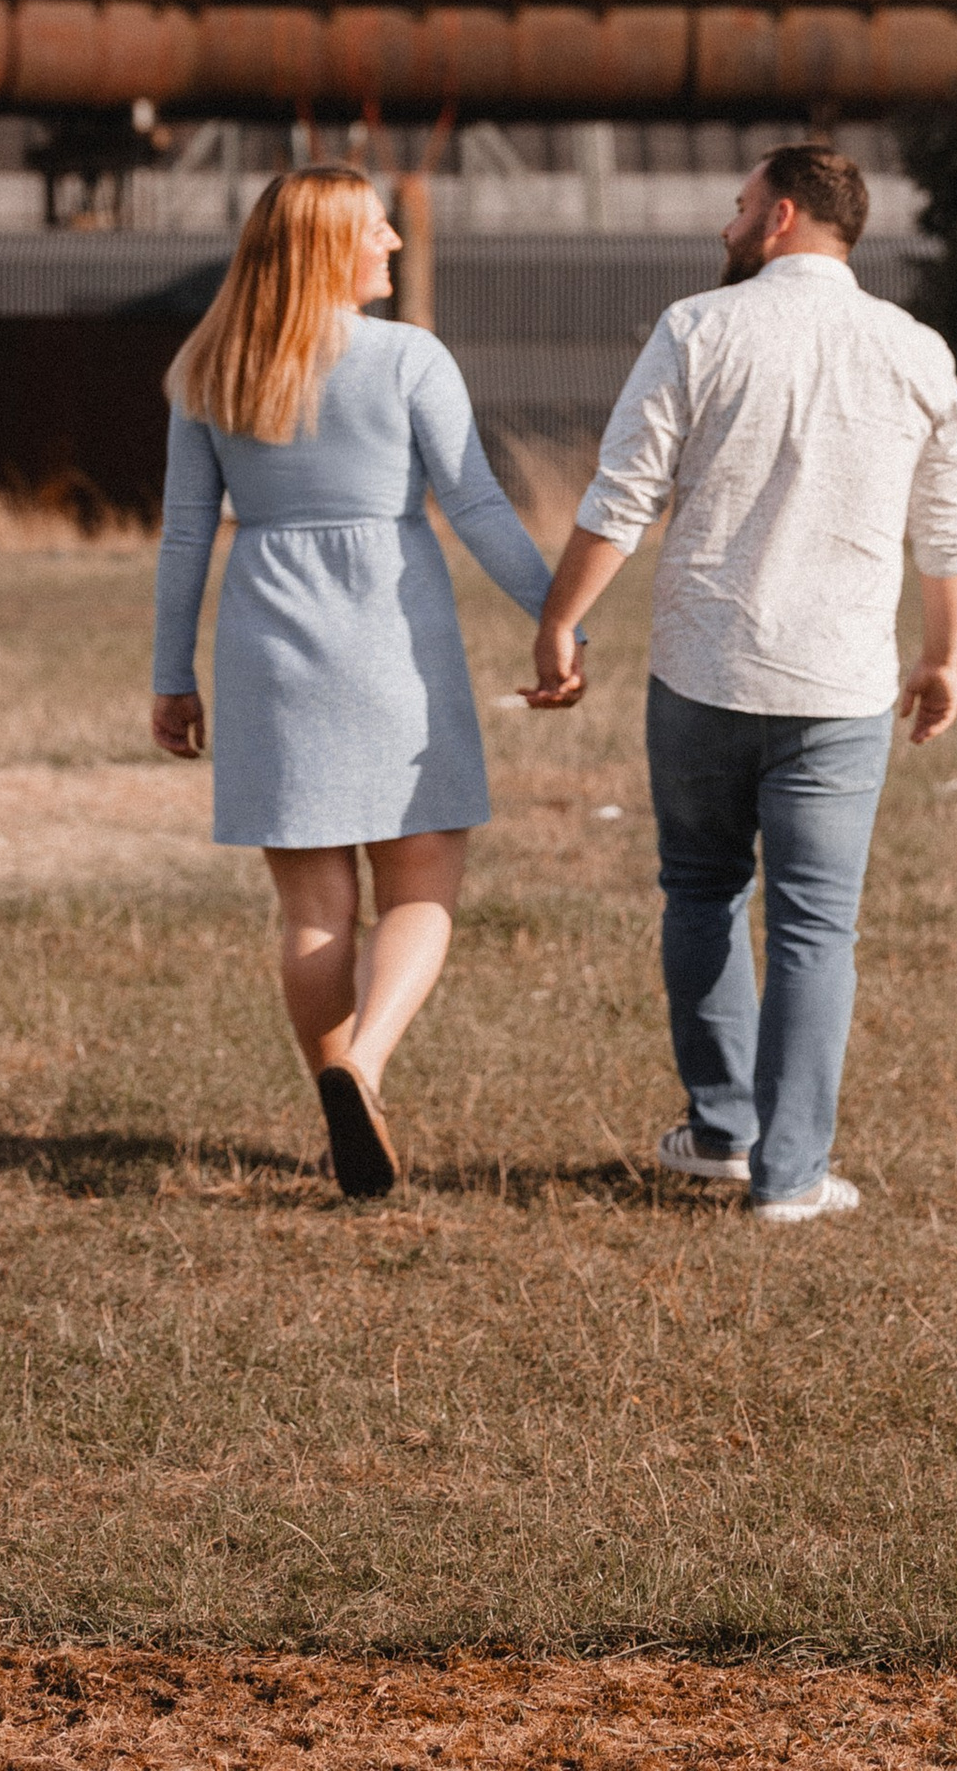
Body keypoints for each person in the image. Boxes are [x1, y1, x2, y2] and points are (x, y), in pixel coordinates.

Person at [526, 143, 957, 1224]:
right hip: (840, 685)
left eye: (736, 209)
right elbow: (949, 528)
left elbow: (622, 495)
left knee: (701, 890)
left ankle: (722, 1131)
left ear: (779, 217)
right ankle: (790, 1178)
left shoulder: (695, 328)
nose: (723, 228)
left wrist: (560, 619)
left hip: (702, 669)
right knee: (816, 930)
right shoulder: (915, 349)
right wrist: (942, 655)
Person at [151, 161, 560, 1201]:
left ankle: (343, 1109)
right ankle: (363, 1065)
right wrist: (560, 617)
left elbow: (187, 534)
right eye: (375, 230)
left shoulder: (211, 367)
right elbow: (473, 506)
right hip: (391, 636)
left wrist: (171, 675)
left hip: (266, 642)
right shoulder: (407, 357)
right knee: (422, 878)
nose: (390, 243)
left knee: (313, 908)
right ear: (330, 246)